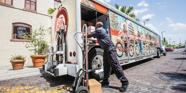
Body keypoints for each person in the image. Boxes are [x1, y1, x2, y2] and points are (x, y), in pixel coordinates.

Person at [87, 21, 129, 92]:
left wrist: (83, 34)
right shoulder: (101, 31)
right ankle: (105, 81)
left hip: (110, 50)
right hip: (106, 50)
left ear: (97, 26)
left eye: (96, 26)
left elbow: (89, 35)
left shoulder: (99, 30)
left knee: (115, 65)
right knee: (106, 66)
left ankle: (124, 82)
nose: (96, 27)